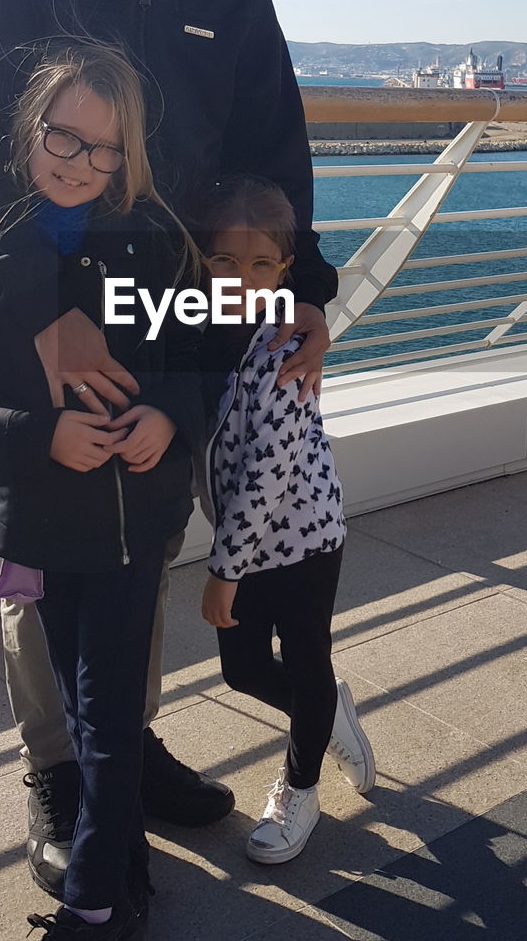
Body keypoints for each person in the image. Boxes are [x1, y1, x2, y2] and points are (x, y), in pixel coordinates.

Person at [0, 0, 339, 894]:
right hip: (49, 301)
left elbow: (276, 154)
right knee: (53, 534)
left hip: (178, 312)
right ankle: (59, 770)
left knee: (147, 519)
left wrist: (302, 286)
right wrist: (32, 307)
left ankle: (122, 742)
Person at [0, 40, 204, 940]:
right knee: (85, 708)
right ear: (29, 130)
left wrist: (168, 418)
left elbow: (190, 357)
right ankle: (128, 867)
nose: (83, 162)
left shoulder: (155, 242)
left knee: (111, 710)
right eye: (65, 138)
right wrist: (41, 436)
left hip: (132, 519)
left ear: (131, 155)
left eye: (106, 148)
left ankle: (94, 904)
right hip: (42, 526)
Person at [197, 176, 374, 865]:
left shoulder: (284, 353)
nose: (242, 280)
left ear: (285, 269)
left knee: (303, 661)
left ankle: (300, 791)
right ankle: (328, 712)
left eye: (261, 265)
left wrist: (222, 574)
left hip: (301, 543)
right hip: (250, 543)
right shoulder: (209, 334)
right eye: (225, 264)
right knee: (242, 672)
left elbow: (266, 478)